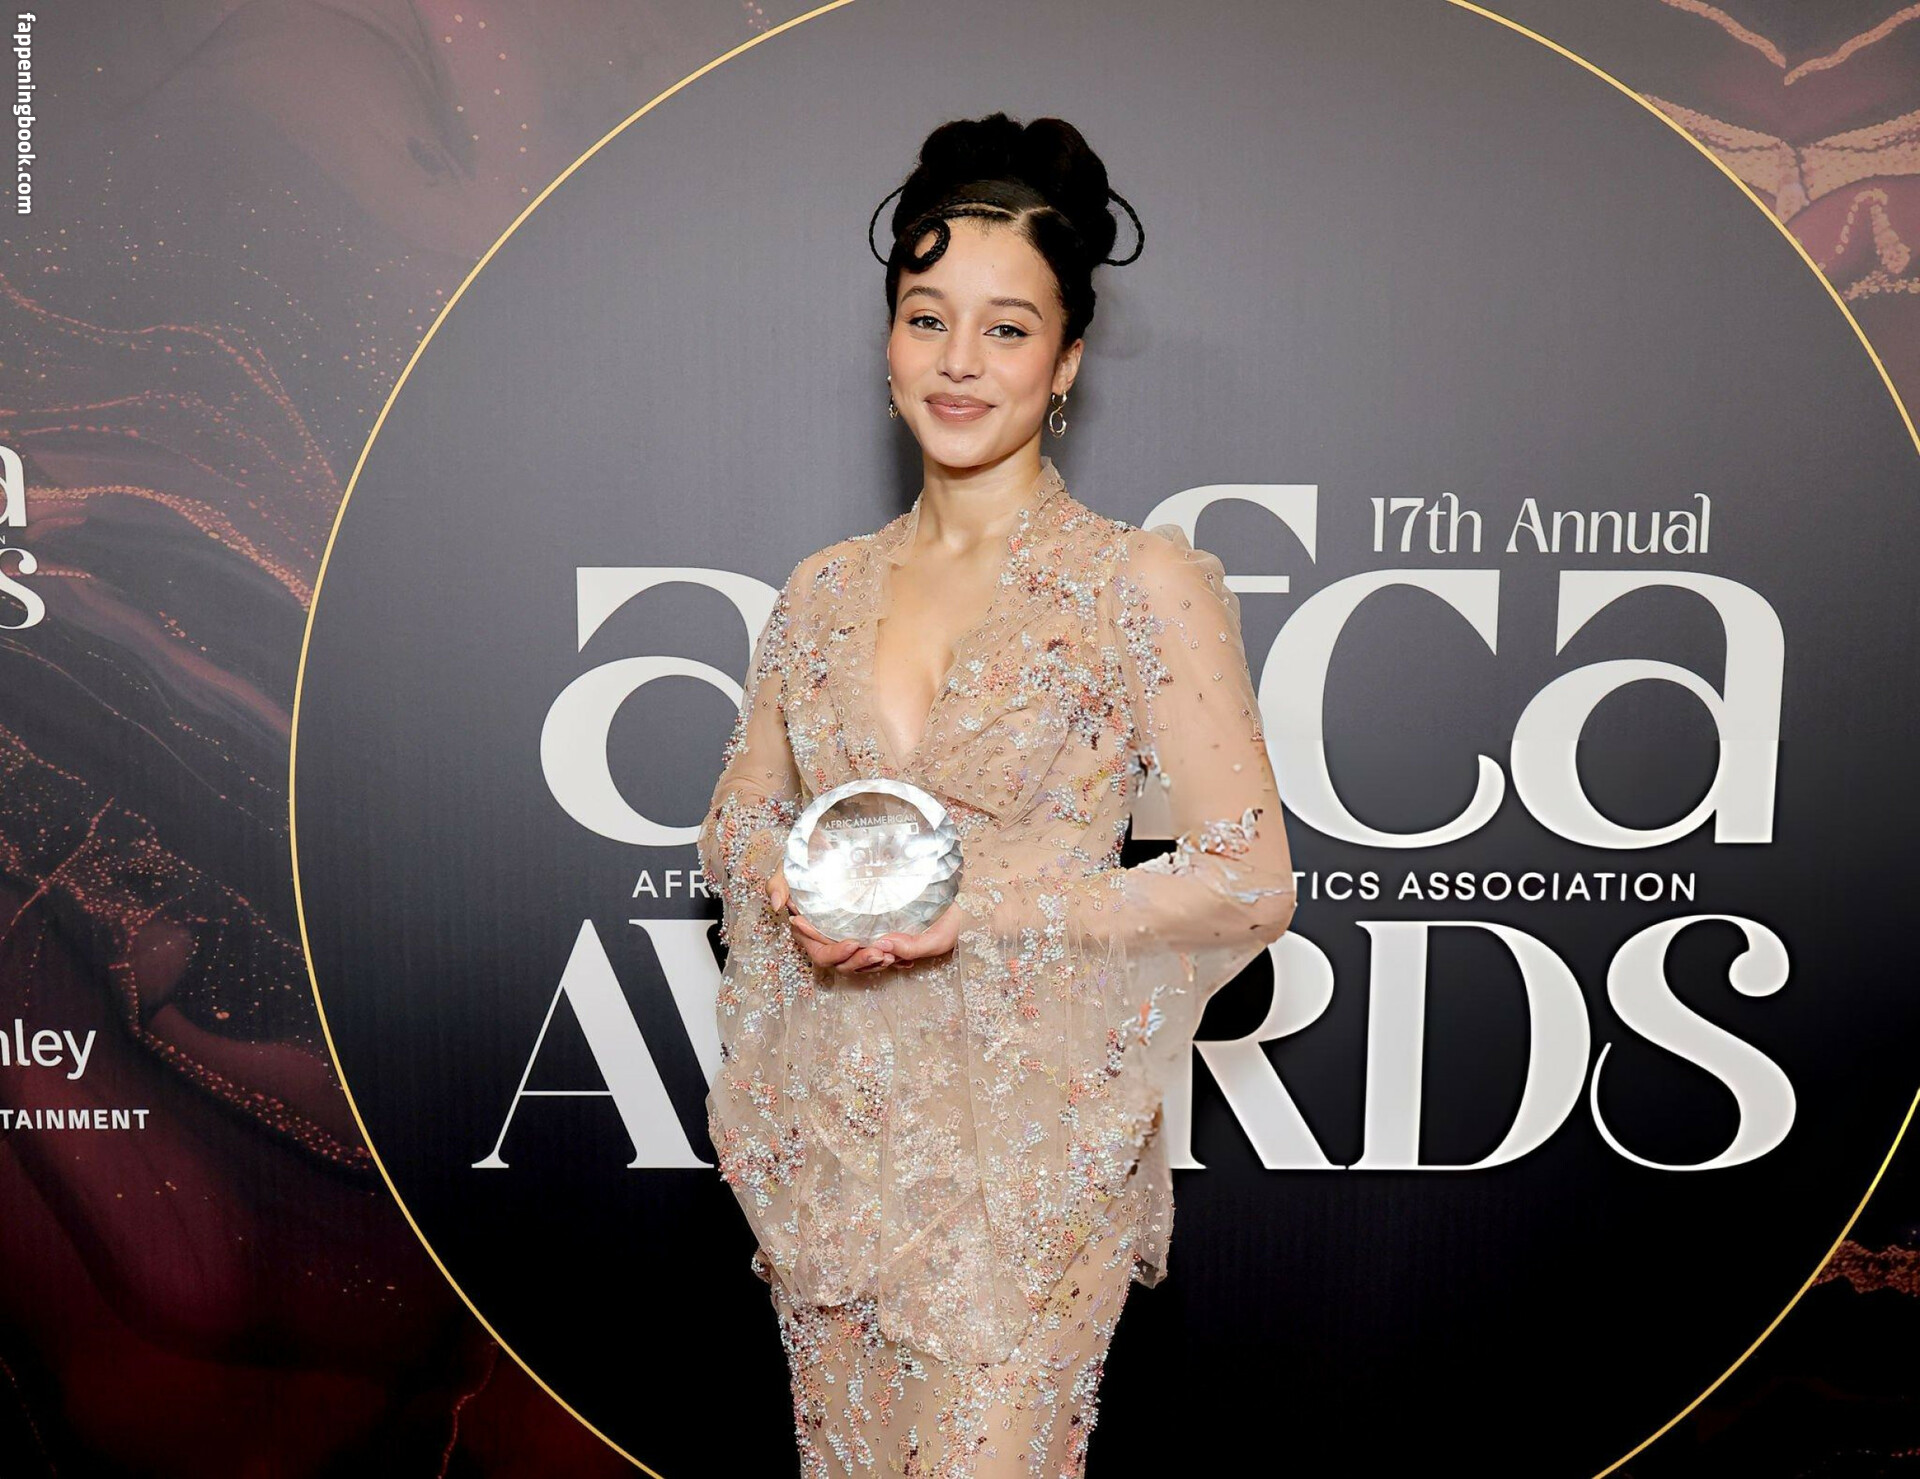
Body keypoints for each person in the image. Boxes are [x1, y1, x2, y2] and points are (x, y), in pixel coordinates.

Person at [697, 112, 1298, 1478]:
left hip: (1025, 1171)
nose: (959, 361)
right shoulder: (821, 591)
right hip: (830, 1147)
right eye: (928, 320)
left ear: (1067, 358)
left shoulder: (1137, 584)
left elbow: (1247, 880)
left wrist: (972, 910)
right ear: (889, 342)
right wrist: (802, 878)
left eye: (1007, 328)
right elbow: (735, 822)